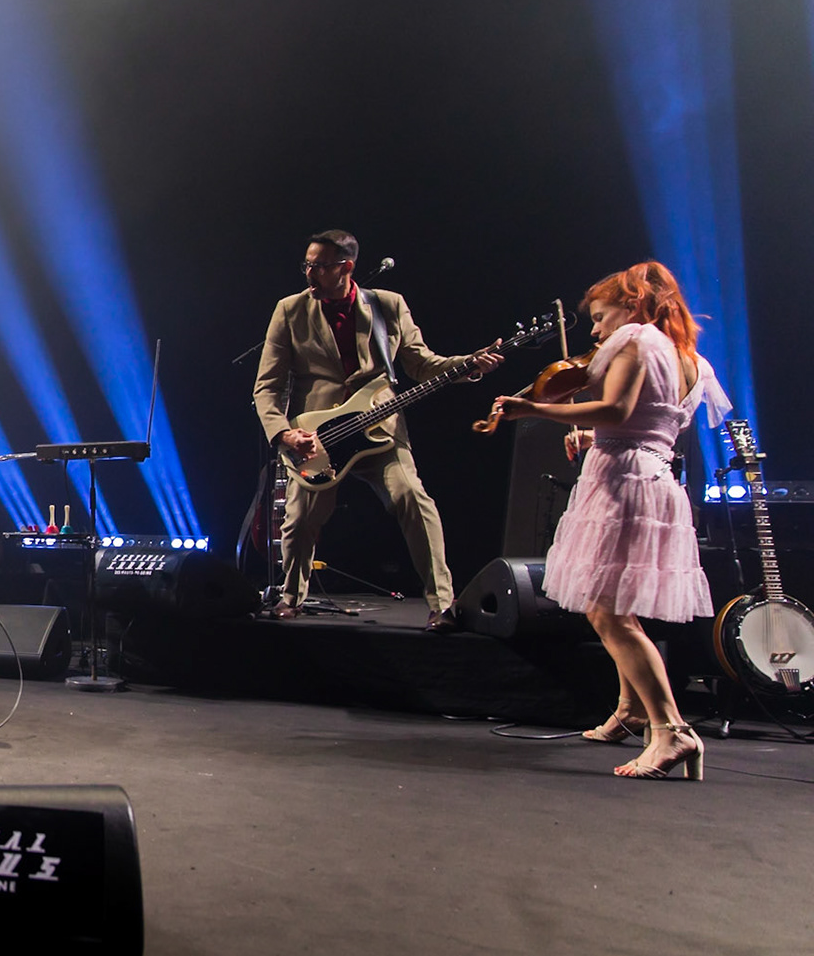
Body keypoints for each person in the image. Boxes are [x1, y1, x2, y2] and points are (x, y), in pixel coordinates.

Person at [491, 261, 729, 781]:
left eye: (601, 317)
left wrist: (531, 408)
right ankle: (631, 710)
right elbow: (651, 425)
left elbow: (617, 411)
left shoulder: (638, 339)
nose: (596, 330)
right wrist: (594, 436)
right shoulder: (693, 361)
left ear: (634, 305)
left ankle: (672, 731)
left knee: (605, 611)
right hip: (655, 479)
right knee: (618, 601)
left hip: (623, 484)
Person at [252, 229, 502, 630]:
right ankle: (291, 596)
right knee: (299, 521)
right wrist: (284, 433)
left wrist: (470, 363)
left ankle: (442, 603)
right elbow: (267, 385)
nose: (309, 274)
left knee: (414, 501)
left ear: (346, 267)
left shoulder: (386, 305)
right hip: (319, 436)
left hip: (380, 430)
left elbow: (421, 363)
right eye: (307, 265)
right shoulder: (289, 310)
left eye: (318, 266)